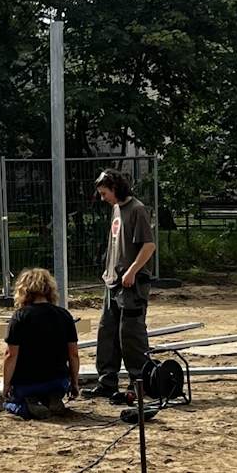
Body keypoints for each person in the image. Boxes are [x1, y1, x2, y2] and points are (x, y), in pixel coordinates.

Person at [92, 168, 156, 402]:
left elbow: (149, 246)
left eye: (104, 193)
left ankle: (138, 383)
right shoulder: (116, 209)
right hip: (112, 281)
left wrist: (132, 270)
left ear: (115, 188)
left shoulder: (137, 209)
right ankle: (106, 381)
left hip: (131, 284)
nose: (103, 198)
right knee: (107, 333)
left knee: (130, 335)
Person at [2, 267, 80, 420]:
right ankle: (52, 398)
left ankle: (27, 406)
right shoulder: (64, 315)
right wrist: (74, 383)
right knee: (51, 390)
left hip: (27, 382)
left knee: (9, 402)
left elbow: (10, 355)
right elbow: (74, 354)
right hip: (58, 381)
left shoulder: (20, 317)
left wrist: (6, 385)